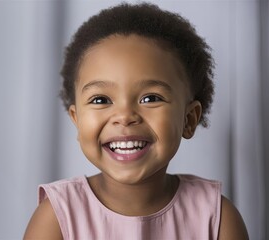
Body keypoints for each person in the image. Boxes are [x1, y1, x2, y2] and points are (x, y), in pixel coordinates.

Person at [24, 2, 248, 239]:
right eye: (100, 100)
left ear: (189, 119)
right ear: (76, 121)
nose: (125, 116)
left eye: (150, 98)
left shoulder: (217, 218)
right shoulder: (57, 217)